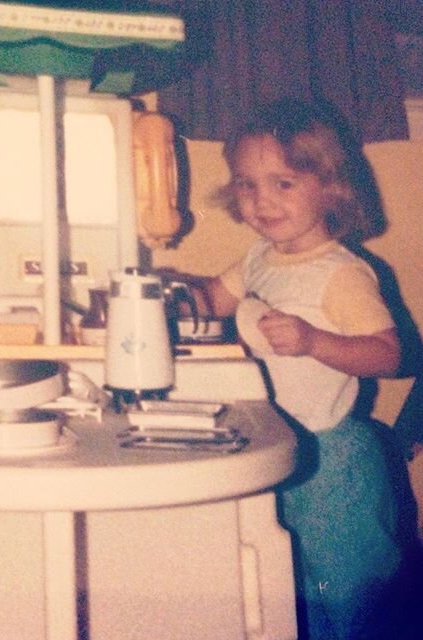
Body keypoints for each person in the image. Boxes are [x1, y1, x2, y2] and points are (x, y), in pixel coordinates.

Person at [168, 98, 418, 638]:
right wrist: (168, 287)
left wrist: (314, 341)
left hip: (335, 460)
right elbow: (214, 298)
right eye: (247, 184)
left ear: (330, 187)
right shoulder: (261, 256)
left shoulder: (342, 273)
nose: (263, 201)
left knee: (349, 587)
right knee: (290, 574)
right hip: (278, 441)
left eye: (283, 183)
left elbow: (390, 354)